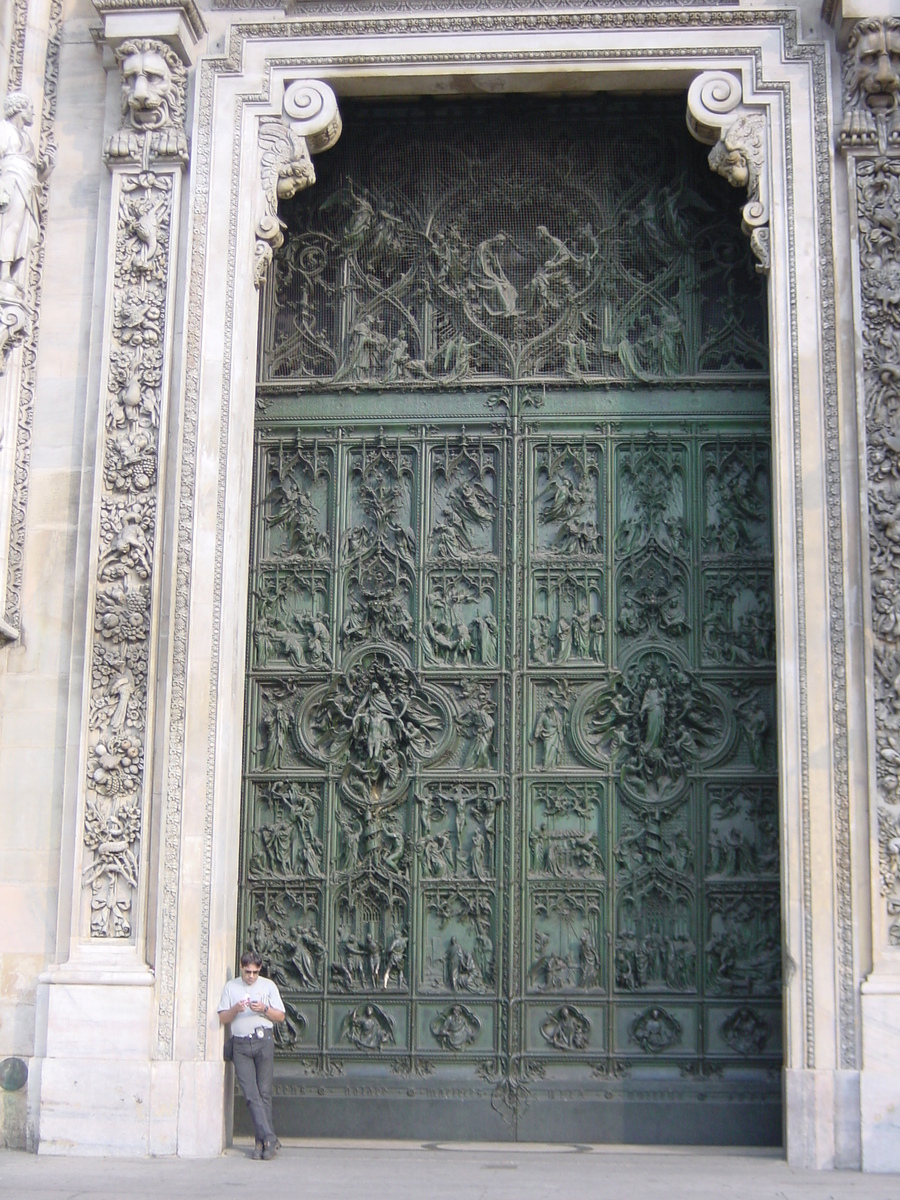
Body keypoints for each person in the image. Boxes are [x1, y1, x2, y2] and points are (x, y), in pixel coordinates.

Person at [218, 950, 285, 1160]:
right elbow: (223, 1018)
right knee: (250, 1094)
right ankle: (270, 1138)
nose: (251, 976)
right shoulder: (231, 987)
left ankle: (262, 1141)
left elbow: (280, 1016)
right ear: (241, 967)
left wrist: (264, 1009)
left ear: (260, 969)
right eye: (248, 972)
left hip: (263, 1041)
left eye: (255, 972)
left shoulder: (268, 986)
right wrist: (236, 1009)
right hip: (240, 1044)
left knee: (264, 1093)